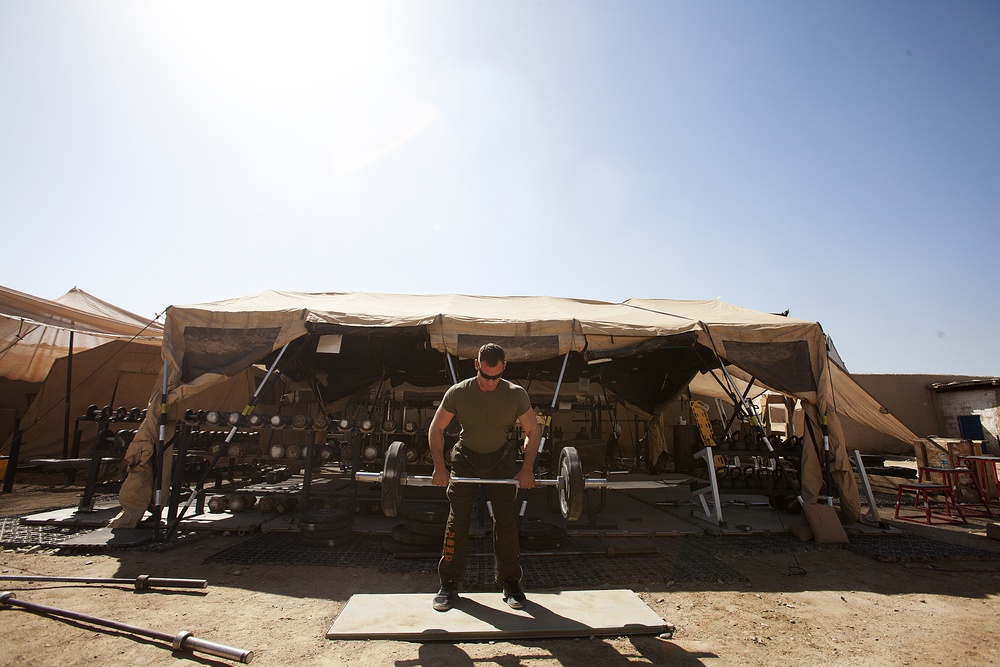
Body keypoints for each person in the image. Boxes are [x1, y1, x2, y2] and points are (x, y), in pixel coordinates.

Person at [428, 343, 541, 612]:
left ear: (504, 367)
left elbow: (533, 432)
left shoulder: (516, 394)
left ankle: (511, 581)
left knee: (505, 521)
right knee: (457, 520)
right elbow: (436, 428)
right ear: (476, 365)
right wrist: (439, 466)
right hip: (465, 458)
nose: (490, 383)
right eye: (485, 376)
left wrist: (527, 469)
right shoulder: (458, 392)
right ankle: (450, 583)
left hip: (500, 459)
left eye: (496, 376)